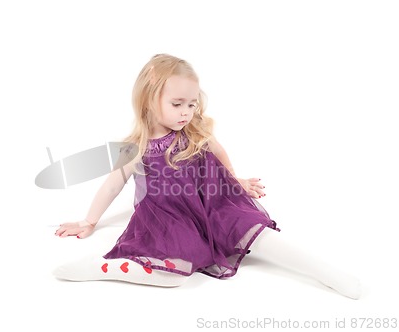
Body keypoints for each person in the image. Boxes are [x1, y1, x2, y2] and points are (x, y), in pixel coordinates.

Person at [53, 54, 361, 299]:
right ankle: (106, 267)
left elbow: (220, 152)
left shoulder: (193, 131)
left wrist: (234, 181)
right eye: (177, 104)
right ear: (148, 99)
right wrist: (89, 221)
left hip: (211, 201)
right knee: (175, 274)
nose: (186, 112)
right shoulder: (135, 147)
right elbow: (112, 185)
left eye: (191, 103)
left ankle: (326, 272)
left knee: (255, 230)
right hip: (169, 216)